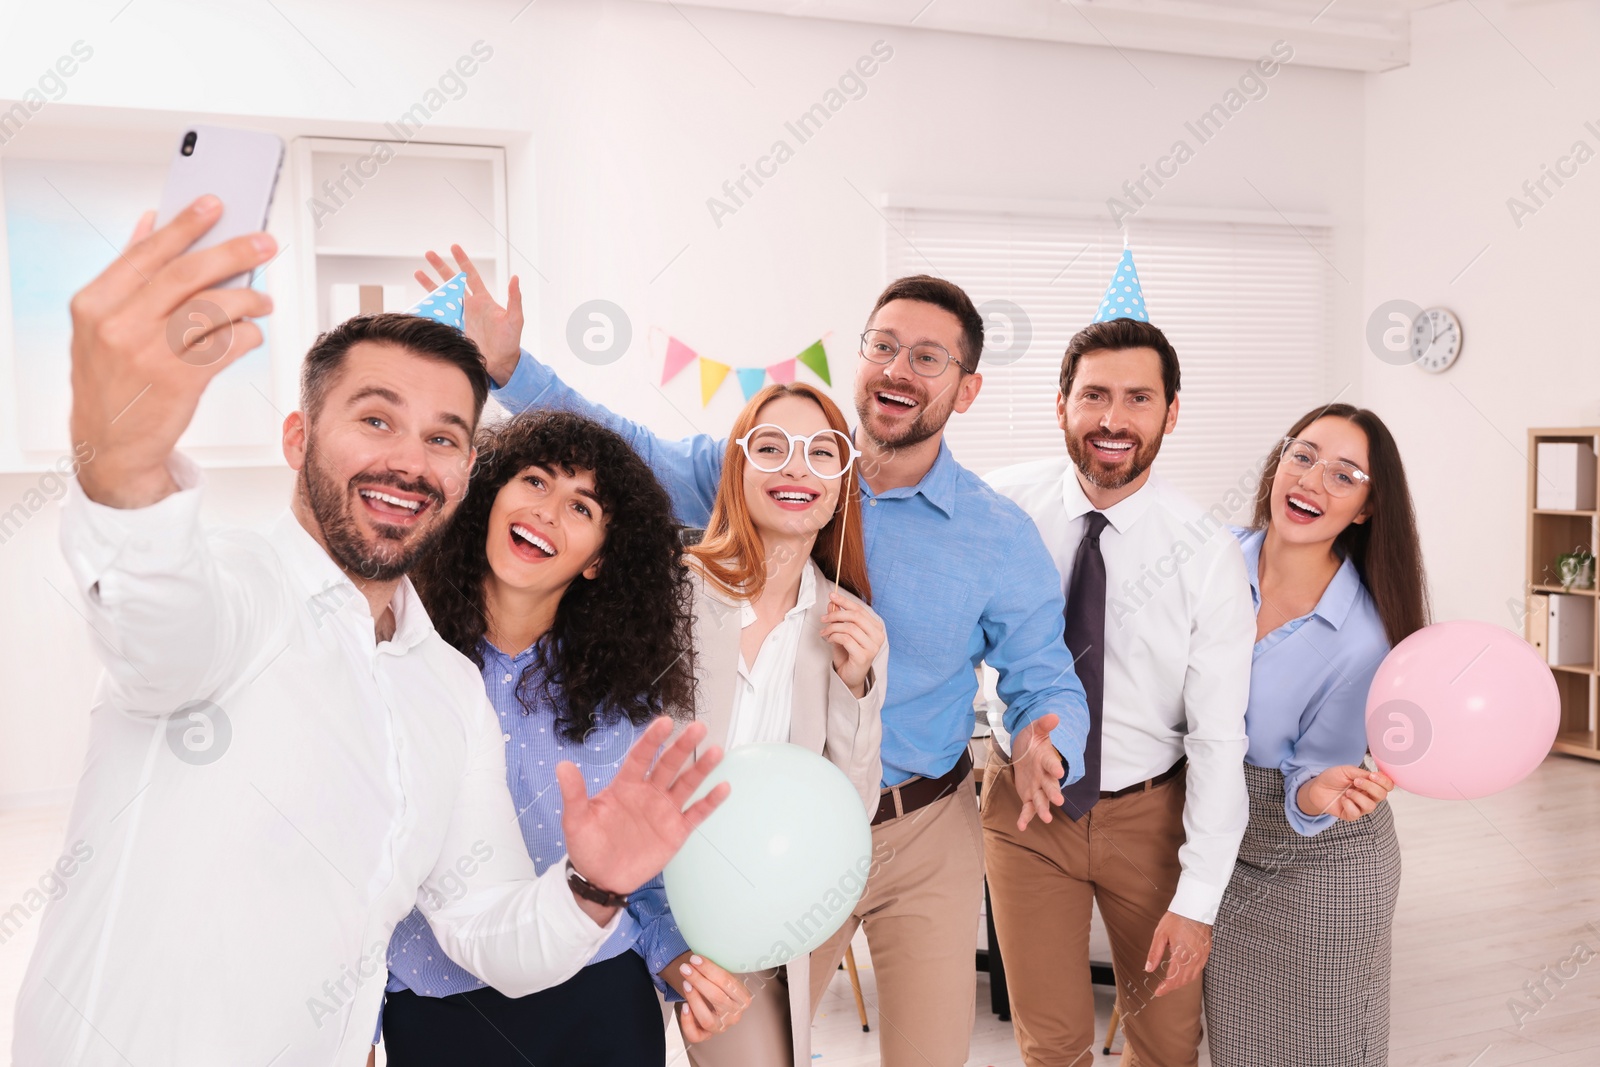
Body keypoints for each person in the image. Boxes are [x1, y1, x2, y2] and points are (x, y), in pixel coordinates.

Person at [16, 200, 726, 1066]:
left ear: (467, 471)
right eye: (376, 419)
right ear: (298, 436)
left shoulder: (445, 687)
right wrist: (124, 458)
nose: (409, 460)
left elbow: (487, 927)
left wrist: (593, 885)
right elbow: (151, 618)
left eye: (443, 436)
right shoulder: (237, 594)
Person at [412, 246, 1089, 1067]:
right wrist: (513, 367)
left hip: (919, 820)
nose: (898, 368)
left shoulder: (991, 536)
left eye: (927, 355)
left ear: (967, 386)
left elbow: (1040, 678)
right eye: (882, 345)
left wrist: (1046, 737)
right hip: (728, 851)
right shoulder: (716, 527)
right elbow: (618, 454)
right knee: (741, 1042)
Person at [376, 410, 753, 1064]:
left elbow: (645, 878)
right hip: (437, 1005)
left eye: (581, 506)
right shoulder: (395, 662)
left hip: (597, 1000)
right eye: (534, 481)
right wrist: (361, 1019)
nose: (548, 511)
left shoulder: (633, 700)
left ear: (599, 559)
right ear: (488, 499)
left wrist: (685, 970)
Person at [982, 309, 1255, 1067]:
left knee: (1168, 1045)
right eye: (1095, 394)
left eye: (1138, 398)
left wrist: (1198, 903)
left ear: (1171, 412)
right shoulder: (999, 511)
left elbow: (1217, 737)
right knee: (1052, 1043)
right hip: (1026, 811)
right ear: (1061, 403)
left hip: (1153, 820)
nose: (1113, 419)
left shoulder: (1205, 554)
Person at [1204, 404, 1422, 1066]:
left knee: (1331, 1050)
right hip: (1218, 847)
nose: (1313, 481)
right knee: (1241, 1050)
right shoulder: (1207, 562)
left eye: (1344, 475)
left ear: (1364, 508)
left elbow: (1310, 774)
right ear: (1277, 464)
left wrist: (1319, 789)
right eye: (1303, 456)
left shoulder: (1364, 638)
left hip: (1322, 863)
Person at [682, 382, 887, 1067]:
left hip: (745, 920)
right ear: (738, 470)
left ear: (840, 485)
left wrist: (855, 685)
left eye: (821, 453)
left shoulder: (851, 627)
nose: (797, 468)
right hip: (634, 909)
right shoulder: (668, 591)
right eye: (771, 448)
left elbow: (847, 812)